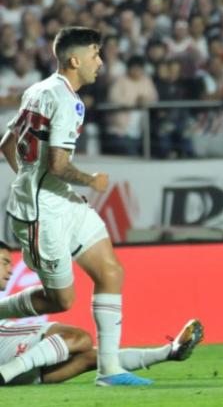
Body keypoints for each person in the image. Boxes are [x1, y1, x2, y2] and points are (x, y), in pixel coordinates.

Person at [0, 27, 152, 386]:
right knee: (61, 300)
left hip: (57, 201)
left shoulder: (37, 90)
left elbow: (6, 144)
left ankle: (110, 369)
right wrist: (90, 180)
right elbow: (57, 165)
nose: (100, 61)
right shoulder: (68, 102)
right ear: (74, 60)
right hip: (41, 215)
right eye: (95, 54)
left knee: (111, 271)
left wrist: (31, 183)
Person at [0, 243, 204, 385]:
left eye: (10, 263)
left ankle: (169, 353)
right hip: (8, 355)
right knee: (79, 338)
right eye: (4, 262)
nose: (10, 270)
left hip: (23, 370)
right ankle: (6, 371)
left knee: (90, 358)